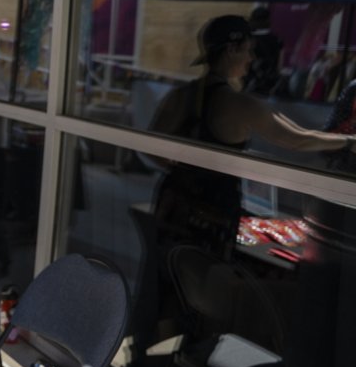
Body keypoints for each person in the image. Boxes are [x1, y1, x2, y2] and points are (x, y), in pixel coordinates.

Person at [149, 15, 355, 254]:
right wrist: (349, 141)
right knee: (202, 278)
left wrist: (181, 174)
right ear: (231, 50)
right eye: (248, 50)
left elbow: (149, 144)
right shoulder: (241, 104)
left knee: (166, 274)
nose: (252, 58)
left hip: (173, 202)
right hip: (211, 209)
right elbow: (297, 140)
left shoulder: (182, 94)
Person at [243, 6, 284, 96]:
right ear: (269, 21)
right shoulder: (277, 40)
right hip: (269, 88)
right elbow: (279, 67)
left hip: (249, 85)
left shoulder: (247, 40)